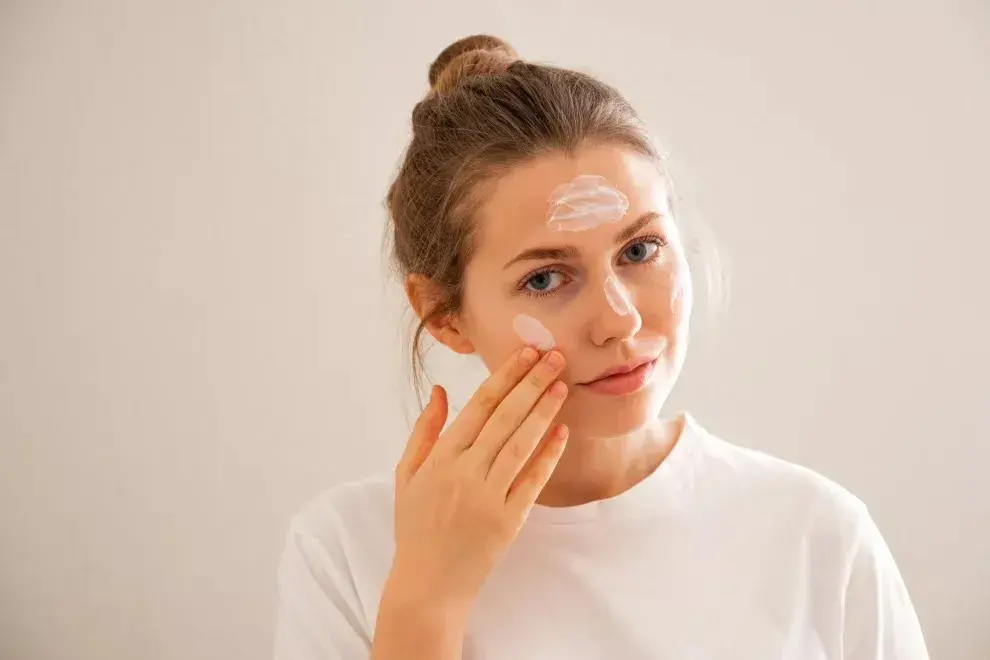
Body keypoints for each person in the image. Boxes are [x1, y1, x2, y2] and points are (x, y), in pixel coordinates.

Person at [273, 35, 929, 660]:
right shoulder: (347, 552)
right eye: (545, 277)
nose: (617, 321)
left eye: (640, 250)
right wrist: (426, 602)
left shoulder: (819, 537)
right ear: (444, 314)